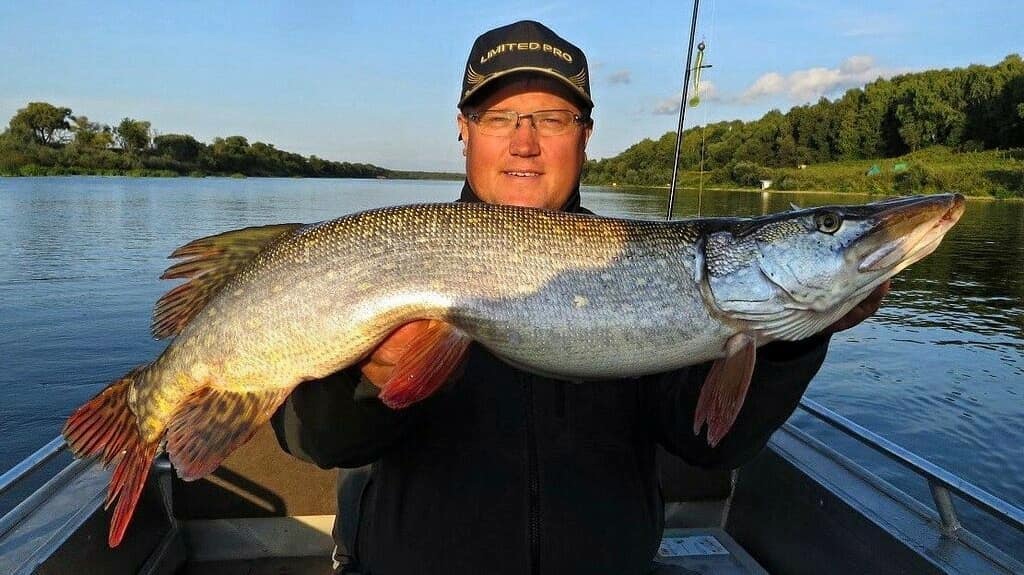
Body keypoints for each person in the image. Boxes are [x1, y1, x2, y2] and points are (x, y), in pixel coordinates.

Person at [272, 20, 888, 575]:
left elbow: (710, 444)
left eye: (552, 118)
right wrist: (373, 384)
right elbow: (317, 442)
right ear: (464, 131)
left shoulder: (631, 263)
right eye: (499, 117)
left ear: (585, 135)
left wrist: (791, 339)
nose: (524, 141)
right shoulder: (400, 248)